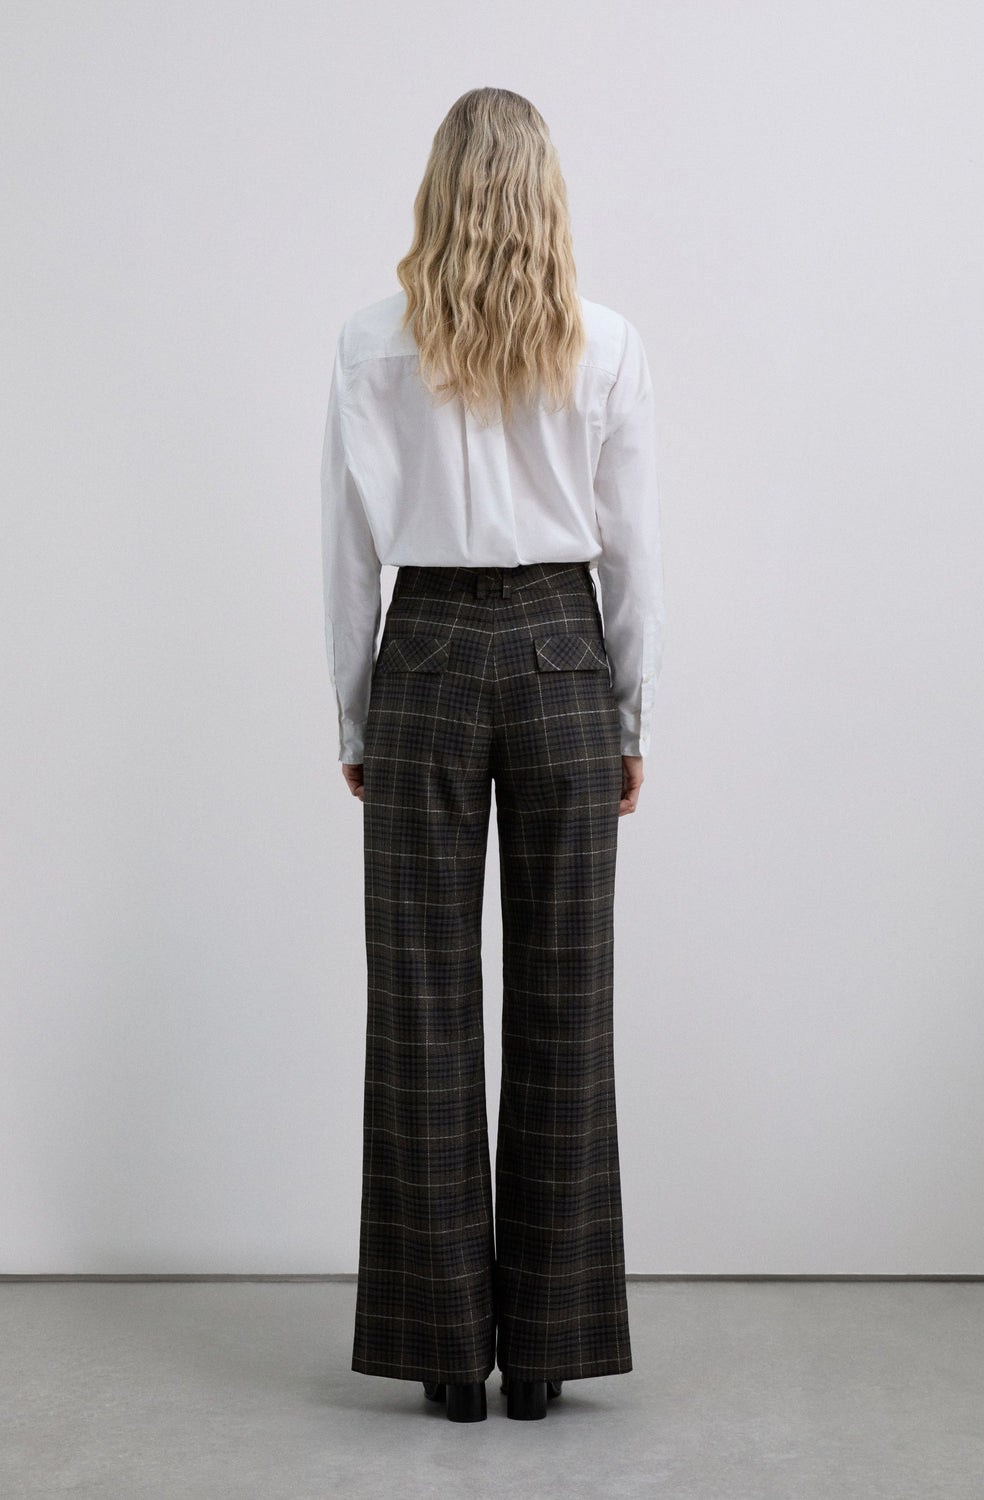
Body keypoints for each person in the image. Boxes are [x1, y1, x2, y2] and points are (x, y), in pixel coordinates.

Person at [320, 87, 665, 1423]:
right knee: (568, 997)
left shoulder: (371, 341)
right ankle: (552, 1353)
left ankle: (445, 1355)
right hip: (562, 652)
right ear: (545, 191)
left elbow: (348, 551)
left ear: (436, 186)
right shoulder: (607, 343)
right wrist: (629, 716)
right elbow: (632, 552)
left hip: (425, 657)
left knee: (419, 1002)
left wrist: (357, 712)